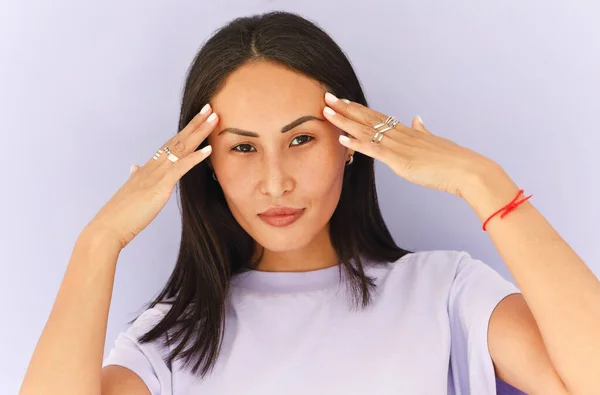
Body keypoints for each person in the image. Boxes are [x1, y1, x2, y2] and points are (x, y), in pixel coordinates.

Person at [19, 10, 600, 395]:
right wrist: (99, 242)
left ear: (349, 146)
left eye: (301, 139)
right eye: (242, 147)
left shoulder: (444, 291)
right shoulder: (169, 343)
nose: (276, 182)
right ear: (208, 166)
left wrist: (483, 180)